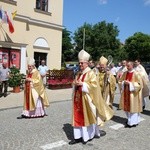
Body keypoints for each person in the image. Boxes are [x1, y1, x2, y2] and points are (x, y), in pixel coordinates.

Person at [69, 50, 114, 145]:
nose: (80, 64)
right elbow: (74, 82)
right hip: (78, 99)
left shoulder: (91, 73)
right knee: (77, 117)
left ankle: (86, 137)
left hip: (87, 100)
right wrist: (75, 83)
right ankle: (77, 137)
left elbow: (94, 86)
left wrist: (83, 84)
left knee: (87, 118)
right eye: (79, 63)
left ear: (87, 63)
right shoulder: (79, 73)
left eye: (82, 63)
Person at [118, 61, 143, 128]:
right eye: (127, 66)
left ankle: (132, 123)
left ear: (132, 65)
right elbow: (120, 81)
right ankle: (130, 120)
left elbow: (139, 85)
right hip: (126, 93)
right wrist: (123, 82)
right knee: (127, 108)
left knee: (133, 109)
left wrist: (130, 84)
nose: (127, 67)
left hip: (133, 95)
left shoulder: (136, 74)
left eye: (128, 66)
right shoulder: (125, 73)